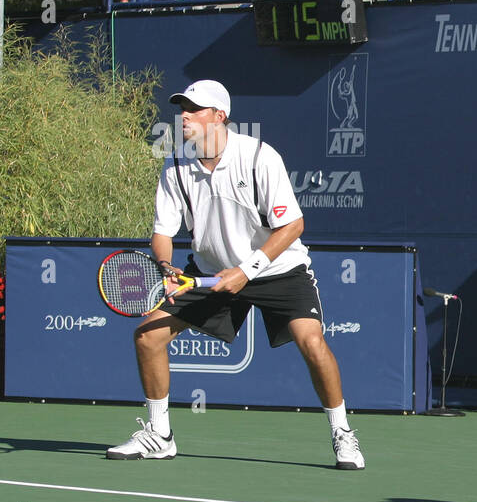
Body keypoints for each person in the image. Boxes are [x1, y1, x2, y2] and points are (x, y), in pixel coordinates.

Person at [106, 80, 365, 470]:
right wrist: (165, 268)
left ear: (219, 116)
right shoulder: (175, 165)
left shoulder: (259, 157)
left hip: (278, 269)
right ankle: (160, 435)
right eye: (182, 109)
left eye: (194, 109)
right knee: (147, 336)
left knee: (311, 343)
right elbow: (162, 234)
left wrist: (246, 271)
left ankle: (342, 432)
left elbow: (293, 226)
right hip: (210, 273)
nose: (185, 116)